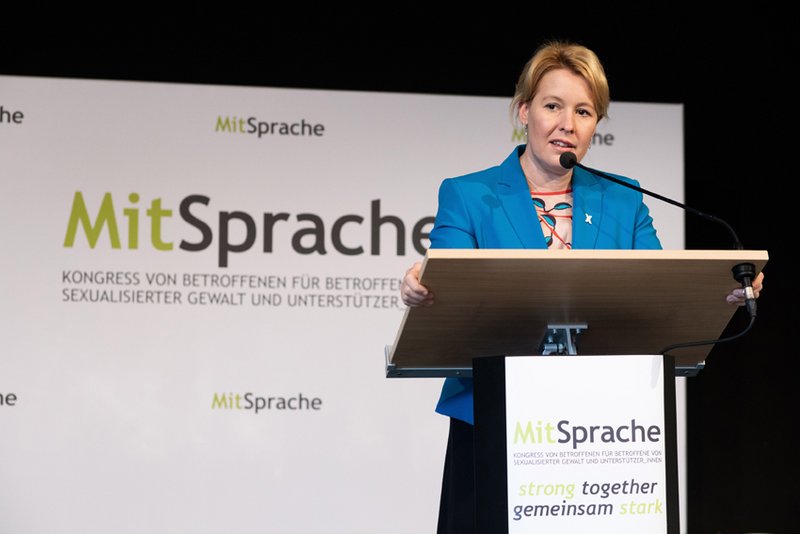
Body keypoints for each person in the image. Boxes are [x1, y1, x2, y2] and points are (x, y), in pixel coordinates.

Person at [399, 40, 764, 534]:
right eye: (553, 106)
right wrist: (422, 287)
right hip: (493, 422)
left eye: (584, 111)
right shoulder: (469, 195)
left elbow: (655, 294)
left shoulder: (624, 198)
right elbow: (445, 282)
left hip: (604, 431)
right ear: (524, 111)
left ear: (596, 124)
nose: (568, 123)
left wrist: (714, 296)